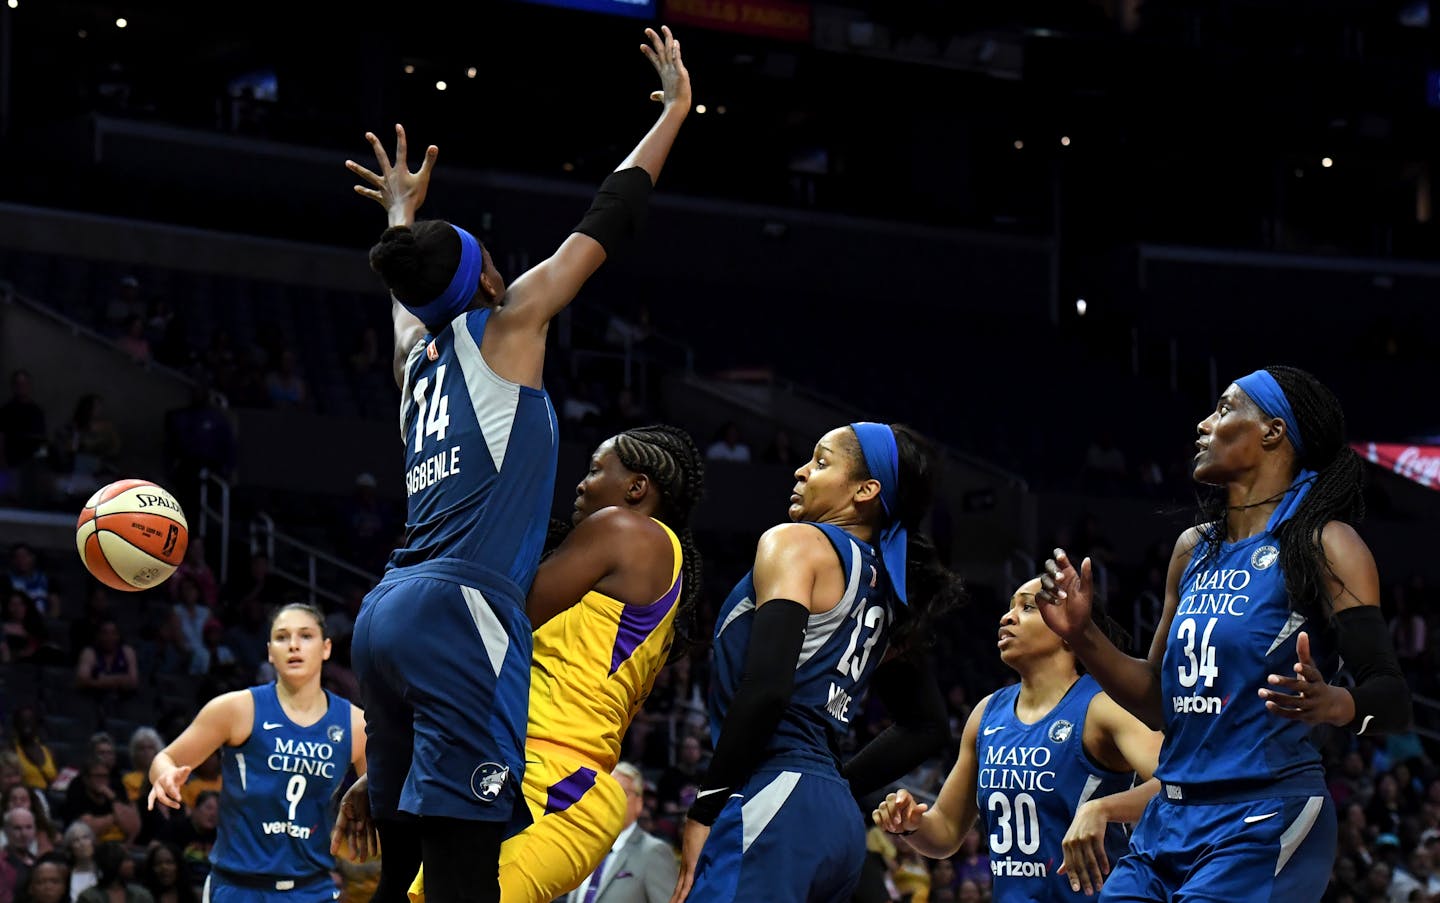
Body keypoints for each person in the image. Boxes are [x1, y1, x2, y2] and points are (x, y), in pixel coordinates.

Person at [342, 24, 691, 903]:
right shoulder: (513, 323)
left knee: (403, 874)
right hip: (461, 608)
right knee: (467, 877)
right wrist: (674, 112)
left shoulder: (414, 360)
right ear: (488, 280)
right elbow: (607, 217)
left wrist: (398, 216)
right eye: (492, 255)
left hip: (383, 612)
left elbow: (405, 298)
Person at [1036, 365, 1412, 903]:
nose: (1203, 424)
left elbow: (1393, 697)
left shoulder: (1327, 545)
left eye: (1224, 408)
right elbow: (1157, 704)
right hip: (1170, 816)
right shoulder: (1193, 549)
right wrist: (1082, 634)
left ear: (1273, 432)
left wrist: (1335, 703)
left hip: (1265, 814)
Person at [382, 424, 705, 902]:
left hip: (559, 781)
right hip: (519, 765)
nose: (581, 483)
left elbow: (500, 615)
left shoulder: (629, 530)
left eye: (596, 470)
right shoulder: (635, 564)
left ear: (637, 487)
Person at [672, 422, 965, 903]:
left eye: (822, 462)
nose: (801, 470)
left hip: (773, 792)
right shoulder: (889, 590)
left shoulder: (797, 542)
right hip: (835, 823)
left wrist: (704, 807)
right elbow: (928, 726)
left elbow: (767, 688)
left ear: (866, 491)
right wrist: (832, 788)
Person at [873, 577, 1164, 900]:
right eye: (1009, 607)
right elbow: (945, 831)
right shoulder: (986, 714)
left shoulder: (1102, 706)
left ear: (1069, 631)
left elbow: (1179, 783)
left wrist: (1103, 809)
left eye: (1027, 607)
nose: (1007, 617)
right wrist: (911, 824)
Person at [148, 603, 366, 902]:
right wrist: (164, 775)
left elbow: (386, 792)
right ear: (269, 651)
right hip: (238, 887)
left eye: (305, 636)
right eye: (282, 637)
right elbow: (166, 758)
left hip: (311, 888)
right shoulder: (235, 709)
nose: (293, 645)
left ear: (326, 648)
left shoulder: (355, 724)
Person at [564, 763, 678, 903]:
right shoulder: (584, 849)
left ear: (639, 803)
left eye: (620, 793)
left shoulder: (654, 852)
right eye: (604, 793)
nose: (611, 800)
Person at [76, 842, 154, 903]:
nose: (132, 864)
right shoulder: (88, 898)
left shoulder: (141, 896)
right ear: (113, 863)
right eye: (127, 860)